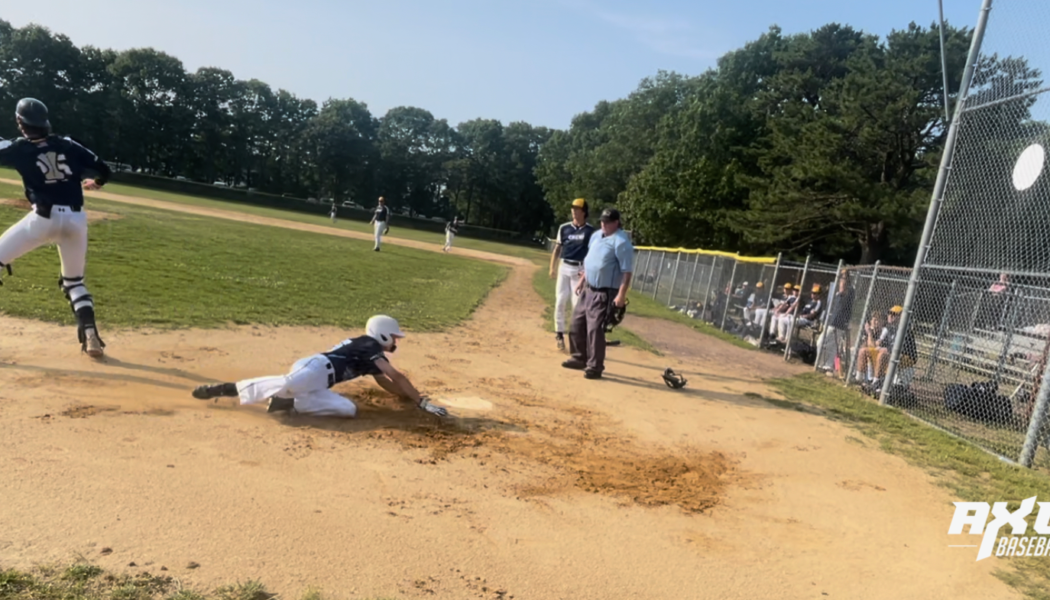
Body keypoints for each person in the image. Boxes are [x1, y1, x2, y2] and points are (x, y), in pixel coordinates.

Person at [0, 98, 111, 358]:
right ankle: (91, 335)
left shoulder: (18, 149)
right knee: (74, 282)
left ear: (20, 123)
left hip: (42, 220)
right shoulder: (68, 144)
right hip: (76, 221)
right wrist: (97, 182)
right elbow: (103, 168)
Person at [190, 315, 449, 418]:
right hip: (315, 368)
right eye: (394, 337)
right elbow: (396, 375)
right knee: (288, 383)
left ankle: (287, 404)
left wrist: (404, 396)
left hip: (321, 382)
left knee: (347, 409)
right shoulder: (368, 344)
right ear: (382, 334)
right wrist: (421, 401)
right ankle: (225, 389)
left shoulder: (371, 356)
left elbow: (385, 380)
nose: (395, 341)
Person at [562, 208, 633, 379]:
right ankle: (579, 357)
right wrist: (582, 280)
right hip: (588, 288)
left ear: (616, 222)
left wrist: (621, 295)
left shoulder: (621, 242)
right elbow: (590, 261)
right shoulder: (596, 236)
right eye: (602, 221)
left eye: (608, 221)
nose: (604, 224)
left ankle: (595, 366)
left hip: (604, 292)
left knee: (595, 329)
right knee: (576, 323)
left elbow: (627, 272)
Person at [549, 198, 596, 351]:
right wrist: (552, 268)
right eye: (573, 209)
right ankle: (559, 334)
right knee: (560, 301)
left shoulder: (590, 231)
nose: (574, 211)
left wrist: (589, 271)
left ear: (584, 212)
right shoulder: (564, 228)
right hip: (564, 266)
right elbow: (557, 249)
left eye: (578, 209)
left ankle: (577, 338)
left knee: (577, 306)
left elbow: (593, 254)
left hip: (580, 270)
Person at [818, 276, 855, 376]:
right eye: (840, 281)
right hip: (831, 322)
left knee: (830, 345)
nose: (841, 284)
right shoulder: (837, 294)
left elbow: (845, 291)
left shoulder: (849, 293)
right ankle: (824, 365)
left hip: (839, 325)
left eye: (843, 281)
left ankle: (829, 366)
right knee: (826, 344)